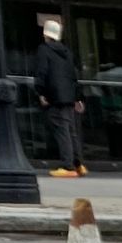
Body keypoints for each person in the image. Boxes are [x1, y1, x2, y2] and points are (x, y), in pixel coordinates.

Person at [32, 18, 85, 176]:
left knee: (62, 132)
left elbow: (41, 72)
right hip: (69, 95)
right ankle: (78, 164)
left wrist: (40, 92)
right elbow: (73, 75)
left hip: (54, 95)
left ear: (46, 34)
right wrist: (77, 97)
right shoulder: (67, 52)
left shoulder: (44, 50)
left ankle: (67, 166)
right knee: (71, 130)